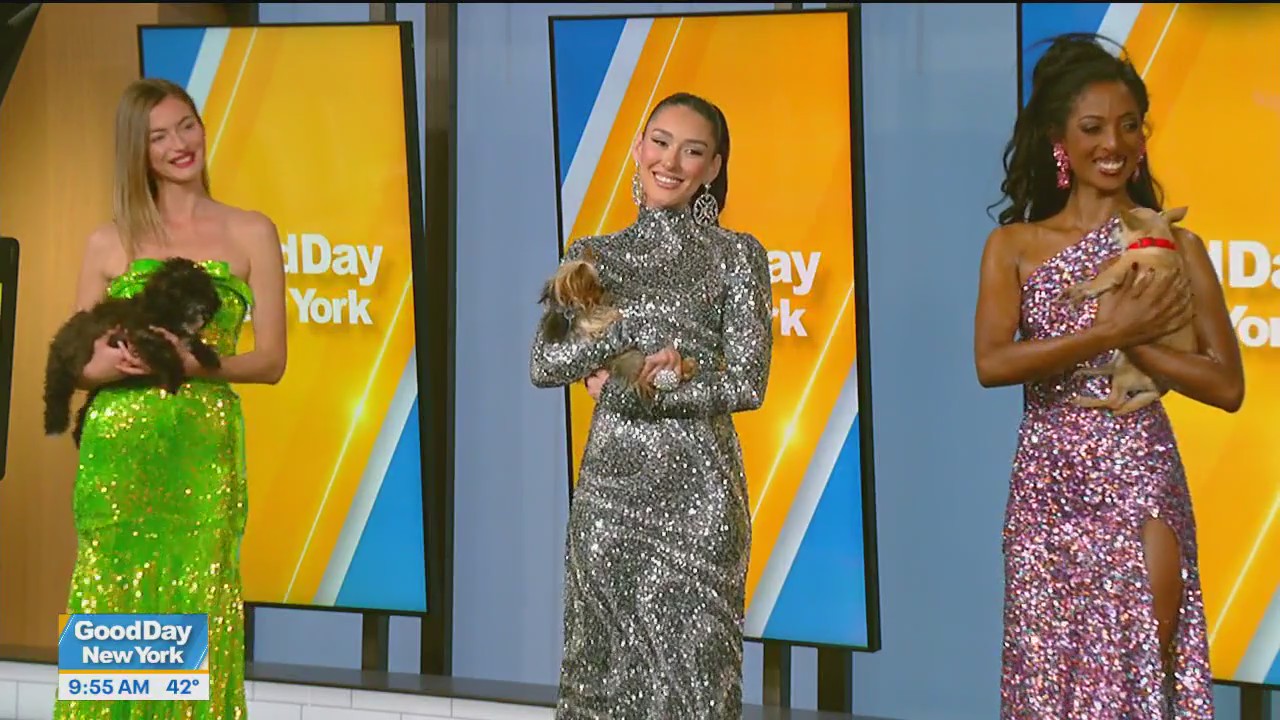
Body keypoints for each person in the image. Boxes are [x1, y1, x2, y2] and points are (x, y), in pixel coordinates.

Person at [975, 33, 1244, 718]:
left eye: (1129, 126)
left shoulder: (1177, 247)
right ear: (1058, 140)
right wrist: (1105, 333)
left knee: (1136, 673)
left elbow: (1227, 385)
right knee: (1049, 682)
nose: (1113, 143)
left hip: (1140, 476)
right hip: (1045, 487)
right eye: (1093, 127)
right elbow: (991, 362)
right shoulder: (1013, 247)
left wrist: (1141, 347)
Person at [529, 91, 773, 719]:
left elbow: (747, 382)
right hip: (611, 502)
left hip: (702, 499)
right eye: (660, 143)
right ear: (638, 149)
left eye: (693, 151)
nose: (671, 161)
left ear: (713, 168)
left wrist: (654, 388)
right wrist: (621, 339)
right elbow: (545, 364)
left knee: (696, 684)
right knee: (602, 678)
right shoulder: (593, 255)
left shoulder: (737, 255)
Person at [53, 77, 286, 719]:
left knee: (195, 597)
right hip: (119, 456)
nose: (180, 145)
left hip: (201, 453)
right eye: (159, 136)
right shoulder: (109, 241)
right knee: (116, 598)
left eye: (187, 125)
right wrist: (109, 361)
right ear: (139, 151)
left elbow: (271, 362)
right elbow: (74, 364)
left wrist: (197, 364)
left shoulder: (251, 232)